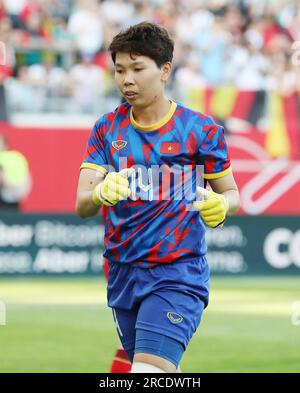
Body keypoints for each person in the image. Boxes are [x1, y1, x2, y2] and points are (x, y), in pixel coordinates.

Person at [76, 21, 240, 373]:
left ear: (165, 70)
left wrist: (223, 205)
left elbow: (231, 193)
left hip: (177, 272)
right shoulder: (107, 128)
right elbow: (82, 203)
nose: (127, 80)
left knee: (148, 372)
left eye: (137, 68)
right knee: (148, 370)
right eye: (119, 70)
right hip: (122, 273)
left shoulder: (200, 129)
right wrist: (101, 192)